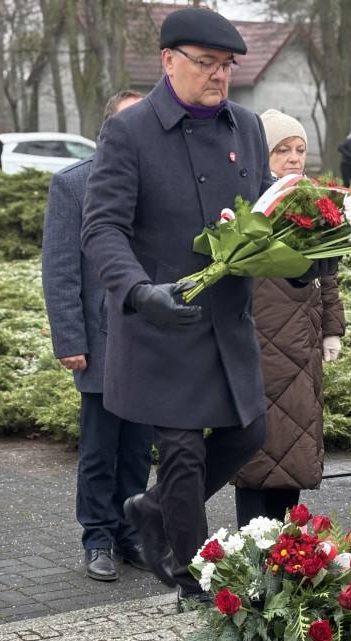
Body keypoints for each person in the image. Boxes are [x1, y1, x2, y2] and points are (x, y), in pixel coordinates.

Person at [80, 6, 274, 607]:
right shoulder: (130, 130)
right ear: (168, 62)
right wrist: (137, 291)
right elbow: (102, 228)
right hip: (163, 318)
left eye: (227, 66)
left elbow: (265, 218)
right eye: (206, 63)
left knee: (251, 432)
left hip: (227, 322)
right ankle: (197, 580)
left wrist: (300, 260)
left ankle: (152, 508)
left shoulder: (246, 126)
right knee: (184, 450)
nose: (220, 76)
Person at [42, 89, 151, 581]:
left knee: (137, 448)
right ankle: (98, 537)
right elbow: (61, 268)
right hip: (102, 341)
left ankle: (130, 533)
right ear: (110, 130)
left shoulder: (161, 182)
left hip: (153, 341)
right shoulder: (74, 185)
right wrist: (70, 338)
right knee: (100, 449)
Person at [232, 109, 346, 526]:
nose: (294, 157)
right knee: (258, 448)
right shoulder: (249, 205)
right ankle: (251, 544)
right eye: (283, 150)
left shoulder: (313, 205)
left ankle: (285, 546)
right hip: (258, 343)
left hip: (302, 346)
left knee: (295, 443)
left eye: (300, 149)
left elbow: (328, 274)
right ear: (262, 155)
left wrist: (333, 328)